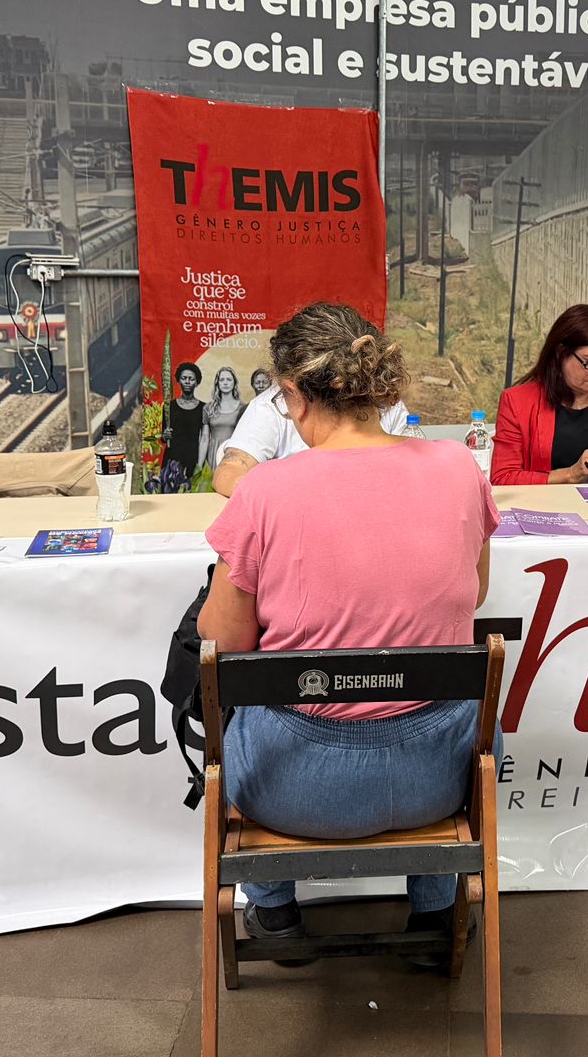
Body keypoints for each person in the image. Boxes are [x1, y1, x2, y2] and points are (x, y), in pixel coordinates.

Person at [197, 302, 500, 957]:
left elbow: (222, 642)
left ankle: (275, 914)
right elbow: (476, 591)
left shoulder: (264, 491)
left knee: (233, 701)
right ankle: (435, 914)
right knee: (461, 704)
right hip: (441, 780)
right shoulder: (457, 467)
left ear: (294, 395)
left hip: (292, 786)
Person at [490, 304, 588, 485]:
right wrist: (570, 475)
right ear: (560, 353)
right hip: (549, 503)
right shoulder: (517, 401)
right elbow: (503, 478)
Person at [213, 362, 412, 497]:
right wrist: (280, 497)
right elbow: (229, 472)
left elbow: (409, 471)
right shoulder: (271, 405)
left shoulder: (384, 402)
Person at [165, 362, 208, 479]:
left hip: (193, 458)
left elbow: (204, 437)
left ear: (197, 382)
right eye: (184, 378)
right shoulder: (169, 406)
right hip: (172, 458)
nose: (187, 382)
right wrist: (165, 435)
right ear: (178, 381)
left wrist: (199, 465)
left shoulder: (204, 408)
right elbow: (164, 437)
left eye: (191, 379)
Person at [203, 366, 244, 469]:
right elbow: (204, 438)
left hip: (233, 453)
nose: (225, 383)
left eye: (229, 379)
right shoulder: (208, 408)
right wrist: (199, 465)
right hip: (213, 454)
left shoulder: (242, 408)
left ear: (234, 383)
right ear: (217, 383)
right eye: (222, 380)